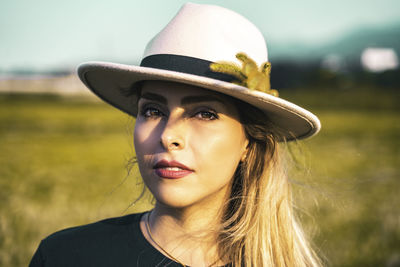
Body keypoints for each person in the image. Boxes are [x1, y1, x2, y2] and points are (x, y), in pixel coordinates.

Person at [29, 3, 322, 267]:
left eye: (205, 114)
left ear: (248, 140)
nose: (168, 136)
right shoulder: (66, 257)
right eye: (153, 111)